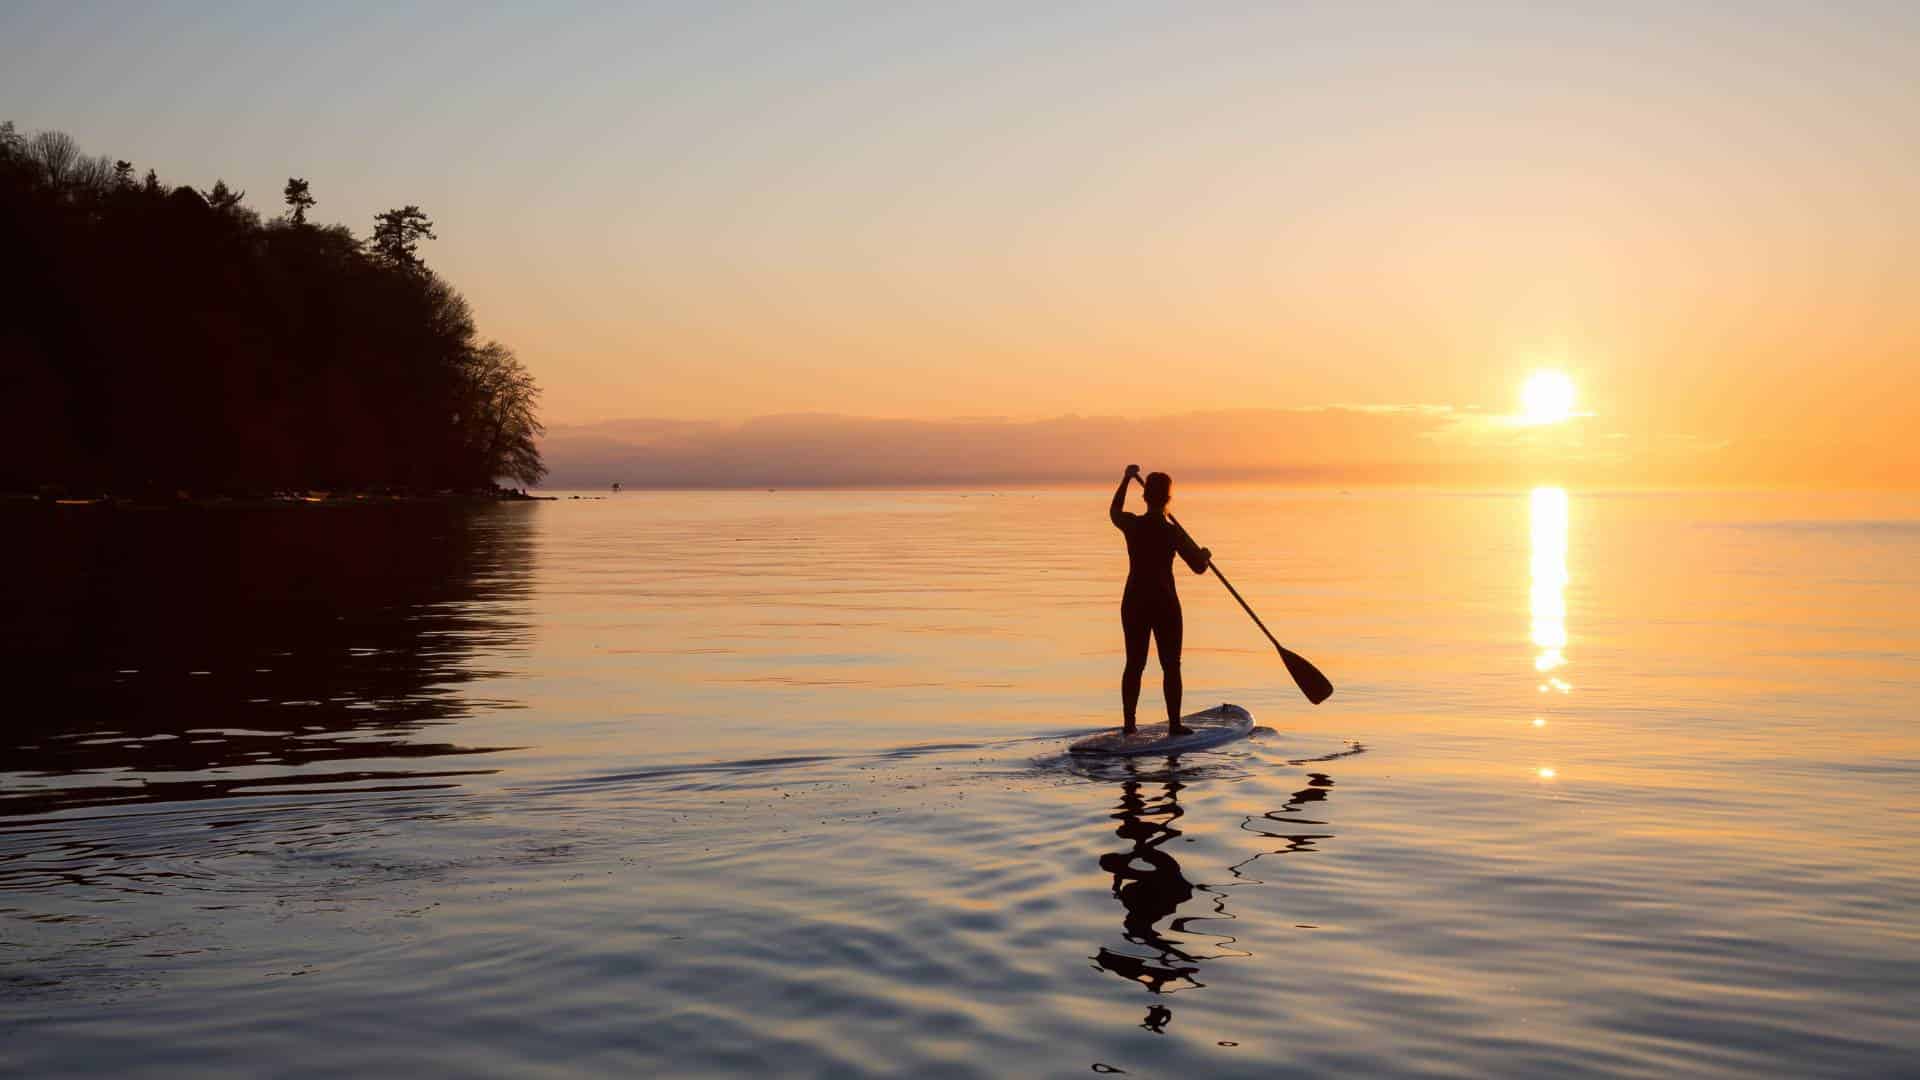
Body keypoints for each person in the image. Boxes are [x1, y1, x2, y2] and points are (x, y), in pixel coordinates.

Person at [1109, 464, 1210, 735]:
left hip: (1134, 601)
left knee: (1134, 663)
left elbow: (1114, 513)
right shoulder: (1172, 533)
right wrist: (1205, 556)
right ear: (1168, 499)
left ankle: (1129, 725)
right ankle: (1174, 724)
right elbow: (1199, 568)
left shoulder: (1133, 525)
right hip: (1164, 603)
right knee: (1171, 665)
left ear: (1145, 497)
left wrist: (1126, 479)